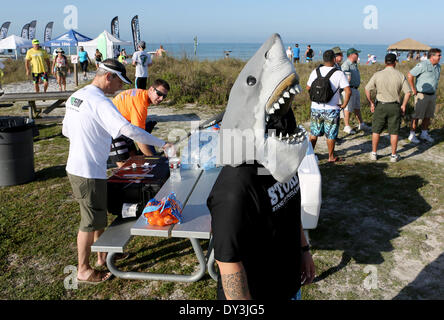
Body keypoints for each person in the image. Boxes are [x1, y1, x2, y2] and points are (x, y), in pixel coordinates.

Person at [62, 59, 172, 284]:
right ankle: (83, 270)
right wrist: (162, 143)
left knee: (99, 216)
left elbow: (66, 130)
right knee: (89, 221)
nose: (121, 87)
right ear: (108, 77)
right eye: (119, 82)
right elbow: (129, 130)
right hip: (87, 171)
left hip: (84, 166)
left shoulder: (76, 95)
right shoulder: (101, 102)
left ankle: (103, 257)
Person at [109, 79, 170, 167]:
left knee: (135, 160)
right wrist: (152, 159)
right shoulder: (140, 104)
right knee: (125, 168)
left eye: (164, 96)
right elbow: (139, 137)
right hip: (113, 129)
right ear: (151, 89)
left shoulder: (141, 94)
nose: (161, 98)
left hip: (125, 126)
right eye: (159, 94)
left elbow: (138, 133)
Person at [365, 53, 412, 162]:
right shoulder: (400, 75)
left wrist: (371, 103)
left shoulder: (378, 74)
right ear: (395, 62)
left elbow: (367, 89)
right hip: (394, 106)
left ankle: (374, 153)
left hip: (380, 105)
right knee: (394, 131)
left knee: (376, 130)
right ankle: (393, 155)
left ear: (385, 62)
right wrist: (404, 105)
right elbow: (408, 92)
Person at [307, 50, 351, 163]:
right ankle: (331, 157)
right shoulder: (338, 73)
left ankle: (309, 156)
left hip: (316, 107)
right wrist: (344, 104)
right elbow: (348, 91)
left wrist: (316, 98)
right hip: (332, 108)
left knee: (314, 133)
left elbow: (308, 88)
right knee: (331, 134)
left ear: (323, 59)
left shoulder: (315, 71)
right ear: (334, 59)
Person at [407, 48, 442, 144]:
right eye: (438, 55)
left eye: (440, 55)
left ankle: (424, 133)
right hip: (421, 95)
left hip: (432, 95)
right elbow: (410, 74)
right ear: (432, 56)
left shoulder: (438, 66)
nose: (440, 57)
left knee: (428, 116)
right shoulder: (423, 64)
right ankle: (412, 135)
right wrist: (413, 89)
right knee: (417, 116)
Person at [341, 48, 371, 134]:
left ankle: (361, 124)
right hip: (349, 89)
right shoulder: (346, 64)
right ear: (351, 55)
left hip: (355, 89)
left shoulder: (354, 64)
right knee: (348, 108)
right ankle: (346, 126)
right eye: (356, 54)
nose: (358, 56)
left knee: (357, 107)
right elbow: (345, 77)